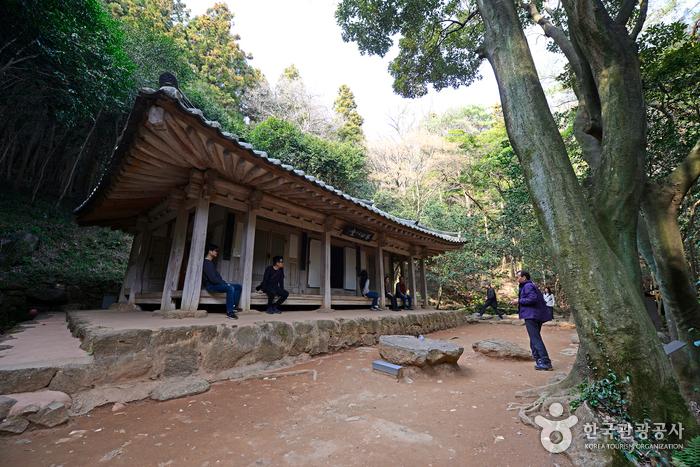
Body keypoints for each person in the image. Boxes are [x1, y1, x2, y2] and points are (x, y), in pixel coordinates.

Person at [511, 271, 553, 371]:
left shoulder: (528, 286)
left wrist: (518, 301)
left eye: (518, 277)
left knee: (535, 339)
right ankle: (539, 360)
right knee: (534, 338)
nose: (516, 279)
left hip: (532, 316)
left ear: (524, 277)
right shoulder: (528, 285)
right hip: (535, 315)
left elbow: (532, 299)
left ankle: (545, 362)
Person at [202, 243, 242, 319]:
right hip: (211, 286)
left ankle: (234, 306)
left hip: (216, 284)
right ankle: (230, 312)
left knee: (238, 287)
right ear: (210, 251)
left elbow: (217, 278)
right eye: (216, 251)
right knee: (230, 288)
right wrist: (225, 284)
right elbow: (213, 279)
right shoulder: (206, 263)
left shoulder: (210, 263)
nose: (217, 252)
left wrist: (224, 283)